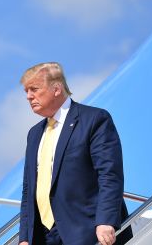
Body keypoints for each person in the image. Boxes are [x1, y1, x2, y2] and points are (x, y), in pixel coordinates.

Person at [18, 62, 132, 245]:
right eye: (26, 91)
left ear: (56, 89)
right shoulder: (34, 134)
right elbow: (28, 190)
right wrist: (24, 237)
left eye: (34, 89)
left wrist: (106, 220)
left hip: (88, 232)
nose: (29, 97)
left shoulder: (94, 120)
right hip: (45, 238)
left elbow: (110, 174)